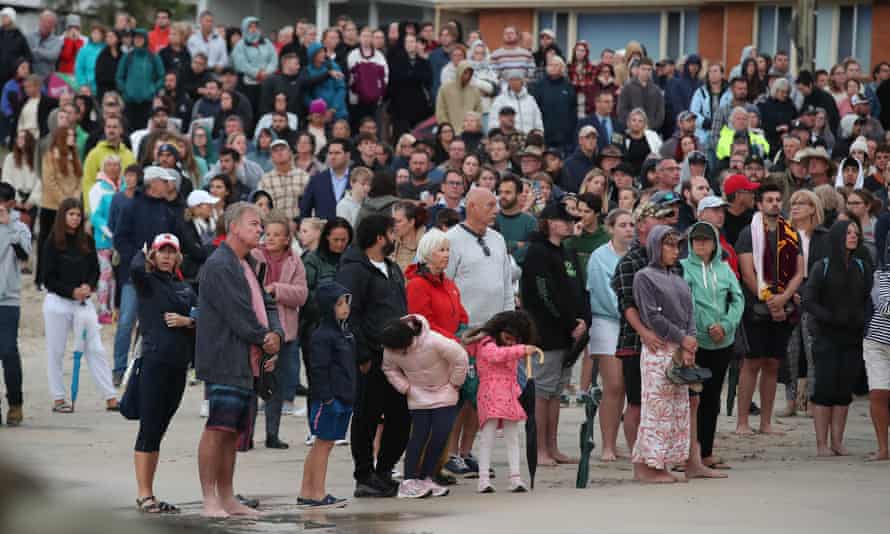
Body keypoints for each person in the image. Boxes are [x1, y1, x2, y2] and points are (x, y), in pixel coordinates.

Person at [195, 202, 283, 518]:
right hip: (224, 358)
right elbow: (237, 313)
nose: (260, 229)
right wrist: (265, 337)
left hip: (247, 358)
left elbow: (267, 303)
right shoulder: (220, 264)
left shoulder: (247, 262)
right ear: (233, 226)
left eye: (260, 224)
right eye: (254, 223)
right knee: (217, 429)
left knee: (233, 433)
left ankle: (228, 497)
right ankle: (209, 499)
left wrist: (276, 333)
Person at [336, 214, 409, 498]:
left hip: (399, 357)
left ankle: (384, 471)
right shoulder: (354, 270)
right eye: (392, 232)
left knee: (401, 417)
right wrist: (363, 354)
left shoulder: (392, 269)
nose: (396, 237)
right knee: (367, 417)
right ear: (380, 237)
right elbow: (347, 315)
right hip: (371, 357)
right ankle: (364, 475)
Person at [130, 234, 196, 514]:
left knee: (159, 430)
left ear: (178, 257)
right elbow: (134, 269)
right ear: (153, 257)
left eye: (172, 252)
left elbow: (200, 315)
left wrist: (187, 321)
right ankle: (144, 494)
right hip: (154, 363)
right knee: (149, 428)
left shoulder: (184, 287)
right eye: (162, 252)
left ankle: (150, 493)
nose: (167, 257)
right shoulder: (147, 283)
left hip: (178, 365)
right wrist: (143, 249)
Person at [520, 202, 589, 466]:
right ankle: (539, 450)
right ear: (549, 222)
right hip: (545, 333)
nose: (570, 224)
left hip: (568, 334)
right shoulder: (538, 252)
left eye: (572, 220)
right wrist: (569, 322)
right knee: (542, 391)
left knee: (556, 391)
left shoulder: (567, 252)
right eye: (564, 220)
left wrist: (582, 320)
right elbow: (544, 295)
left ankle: (553, 446)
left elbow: (578, 289)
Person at [734, 182, 804, 435]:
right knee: (751, 363)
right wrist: (768, 300)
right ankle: (742, 422)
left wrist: (783, 298)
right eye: (769, 199)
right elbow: (747, 272)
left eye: (778, 199)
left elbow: (799, 271)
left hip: (783, 306)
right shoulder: (748, 232)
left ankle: (766, 423)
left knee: (773, 363)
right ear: (759, 204)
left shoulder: (791, 231)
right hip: (756, 306)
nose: (775, 203)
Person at [42, 198, 118, 414]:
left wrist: (89, 286)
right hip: (58, 302)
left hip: (83, 303)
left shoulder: (86, 239)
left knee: (95, 348)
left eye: (78, 214)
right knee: (55, 351)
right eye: (71, 214)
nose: (75, 218)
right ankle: (58, 398)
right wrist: (70, 291)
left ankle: (110, 396)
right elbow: (47, 278)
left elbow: (95, 269)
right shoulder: (52, 241)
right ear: (63, 215)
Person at [630, 225, 693, 483]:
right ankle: (647, 465)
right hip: (659, 349)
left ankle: (662, 462)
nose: (674, 251)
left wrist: (690, 342)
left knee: (677, 409)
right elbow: (652, 315)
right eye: (668, 245)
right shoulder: (644, 276)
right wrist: (682, 338)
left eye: (676, 245)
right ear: (656, 247)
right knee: (656, 409)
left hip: (680, 348)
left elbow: (691, 314)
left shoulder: (678, 278)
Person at [803, 220, 872, 456]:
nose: (853, 236)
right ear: (837, 236)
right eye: (848, 232)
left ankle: (837, 441)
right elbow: (808, 300)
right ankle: (821, 443)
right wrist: (829, 317)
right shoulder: (821, 266)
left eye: (856, 232)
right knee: (824, 387)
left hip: (853, 336)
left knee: (844, 389)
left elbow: (868, 298)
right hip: (826, 336)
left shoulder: (862, 266)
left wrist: (862, 319)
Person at [381, 315, 468, 498]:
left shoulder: (435, 341)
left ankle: (427, 477)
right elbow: (389, 368)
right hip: (417, 394)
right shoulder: (391, 346)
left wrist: (454, 383)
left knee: (440, 434)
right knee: (419, 436)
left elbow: (460, 357)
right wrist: (406, 388)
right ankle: (410, 480)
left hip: (445, 391)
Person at [681, 222, 744, 473]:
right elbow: (687, 301)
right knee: (690, 398)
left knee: (712, 398)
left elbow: (737, 299)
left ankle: (705, 451)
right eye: (696, 240)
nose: (701, 243)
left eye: (706, 240)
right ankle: (686, 452)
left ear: (715, 243)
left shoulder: (725, 269)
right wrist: (708, 326)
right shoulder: (683, 268)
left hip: (723, 342)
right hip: (696, 343)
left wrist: (726, 325)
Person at [112, 167, 181, 385]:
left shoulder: (167, 210)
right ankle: (119, 369)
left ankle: (144, 368)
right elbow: (120, 239)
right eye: (165, 181)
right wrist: (140, 261)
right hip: (134, 276)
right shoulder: (131, 206)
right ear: (153, 183)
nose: (169, 186)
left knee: (153, 324)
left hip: (160, 278)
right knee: (126, 322)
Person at [464, 311, 540, 493]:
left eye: (515, 339)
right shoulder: (486, 343)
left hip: (507, 395)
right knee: (487, 437)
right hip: (490, 394)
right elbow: (495, 355)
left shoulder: (504, 346)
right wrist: (521, 350)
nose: (511, 341)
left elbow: (510, 369)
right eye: (508, 337)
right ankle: (483, 478)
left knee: (512, 436)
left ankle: (515, 477)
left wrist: (517, 390)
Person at [250, 211, 308, 449]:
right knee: (252, 383)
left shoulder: (295, 261)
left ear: (287, 239)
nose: (270, 238)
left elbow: (302, 295)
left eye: (277, 235)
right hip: (256, 330)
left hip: (285, 332)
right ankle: (247, 434)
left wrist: (277, 290)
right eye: (268, 234)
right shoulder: (253, 256)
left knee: (275, 384)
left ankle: (272, 434)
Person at [298, 281, 354, 509]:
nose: (344, 308)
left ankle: (307, 491)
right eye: (339, 304)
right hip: (329, 399)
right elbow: (318, 369)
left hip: (343, 397)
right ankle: (316, 493)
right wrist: (328, 398)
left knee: (325, 444)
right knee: (322, 444)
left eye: (346, 303)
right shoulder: (322, 335)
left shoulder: (344, 333)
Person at [585, 208, 633, 461]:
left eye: (631, 224)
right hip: (607, 322)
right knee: (613, 384)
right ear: (611, 228)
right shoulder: (598, 257)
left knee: (629, 386)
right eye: (623, 224)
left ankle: (622, 442)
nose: (628, 229)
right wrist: (630, 314)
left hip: (635, 325)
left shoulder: (638, 254)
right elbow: (603, 294)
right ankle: (607, 445)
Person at [0, 184, 30, 426]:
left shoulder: (20, 228)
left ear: (11, 204)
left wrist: (8, 226)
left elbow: (24, 256)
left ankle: (16, 403)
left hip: (9, 300)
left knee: (9, 351)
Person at [37, 127, 82, 287]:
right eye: (69, 135)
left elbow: (79, 180)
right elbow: (49, 181)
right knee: (47, 243)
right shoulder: (50, 156)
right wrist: (65, 203)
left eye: (73, 135)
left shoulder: (74, 156)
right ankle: (42, 278)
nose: (73, 138)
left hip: (70, 205)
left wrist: (74, 200)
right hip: (51, 206)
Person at [406, 229, 469, 339]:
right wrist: (453, 340)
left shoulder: (448, 283)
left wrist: (463, 334)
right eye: (442, 250)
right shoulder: (417, 285)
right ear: (428, 253)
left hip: (454, 348)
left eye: (448, 250)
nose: (447, 254)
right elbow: (423, 326)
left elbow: (462, 315)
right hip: (432, 350)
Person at [87, 155, 122, 324]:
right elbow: (95, 216)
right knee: (105, 274)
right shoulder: (98, 188)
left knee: (114, 276)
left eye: (116, 165)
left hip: (119, 239)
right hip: (104, 239)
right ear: (103, 167)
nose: (114, 168)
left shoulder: (121, 187)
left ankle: (112, 308)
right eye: (109, 164)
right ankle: (102, 309)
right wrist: (109, 232)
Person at [864, 260, 890, 461]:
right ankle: (883, 449)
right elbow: (882, 304)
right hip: (877, 342)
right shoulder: (881, 273)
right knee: (878, 394)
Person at [116, 28, 165, 131]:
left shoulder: (153, 57)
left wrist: (153, 90)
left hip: (147, 102)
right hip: (129, 101)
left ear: (145, 39)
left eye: (140, 38)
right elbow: (119, 76)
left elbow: (161, 76)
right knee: (128, 129)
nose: (137, 40)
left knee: (144, 130)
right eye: (135, 38)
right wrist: (125, 91)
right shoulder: (127, 57)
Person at [387, 33, 433, 140]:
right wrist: (413, 76)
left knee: (418, 137)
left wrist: (410, 76)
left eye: (412, 41)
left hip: (419, 107)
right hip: (400, 107)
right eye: (407, 42)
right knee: (400, 138)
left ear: (416, 44)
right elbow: (395, 79)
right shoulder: (395, 61)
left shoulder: (424, 62)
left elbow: (427, 79)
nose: (410, 44)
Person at [531, 56, 577, 152]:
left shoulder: (568, 86)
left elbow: (573, 111)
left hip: (565, 138)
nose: (553, 67)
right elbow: (534, 110)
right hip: (545, 135)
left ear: (562, 68)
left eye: (556, 65)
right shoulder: (539, 85)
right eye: (550, 65)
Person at [300, 139, 351, 220]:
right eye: (330, 153)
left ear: (347, 155)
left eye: (337, 153)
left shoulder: (357, 178)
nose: (333, 157)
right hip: (323, 230)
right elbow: (305, 211)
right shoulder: (316, 180)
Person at [26, 10, 62, 78]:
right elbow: (27, 55)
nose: (46, 24)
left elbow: (53, 56)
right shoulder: (29, 37)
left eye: (49, 22)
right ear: (39, 21)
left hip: (47, 80)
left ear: (54, 25)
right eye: (43, 21)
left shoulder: (57, 41)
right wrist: (45, 53)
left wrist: (36, 51)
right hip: (30, 80)